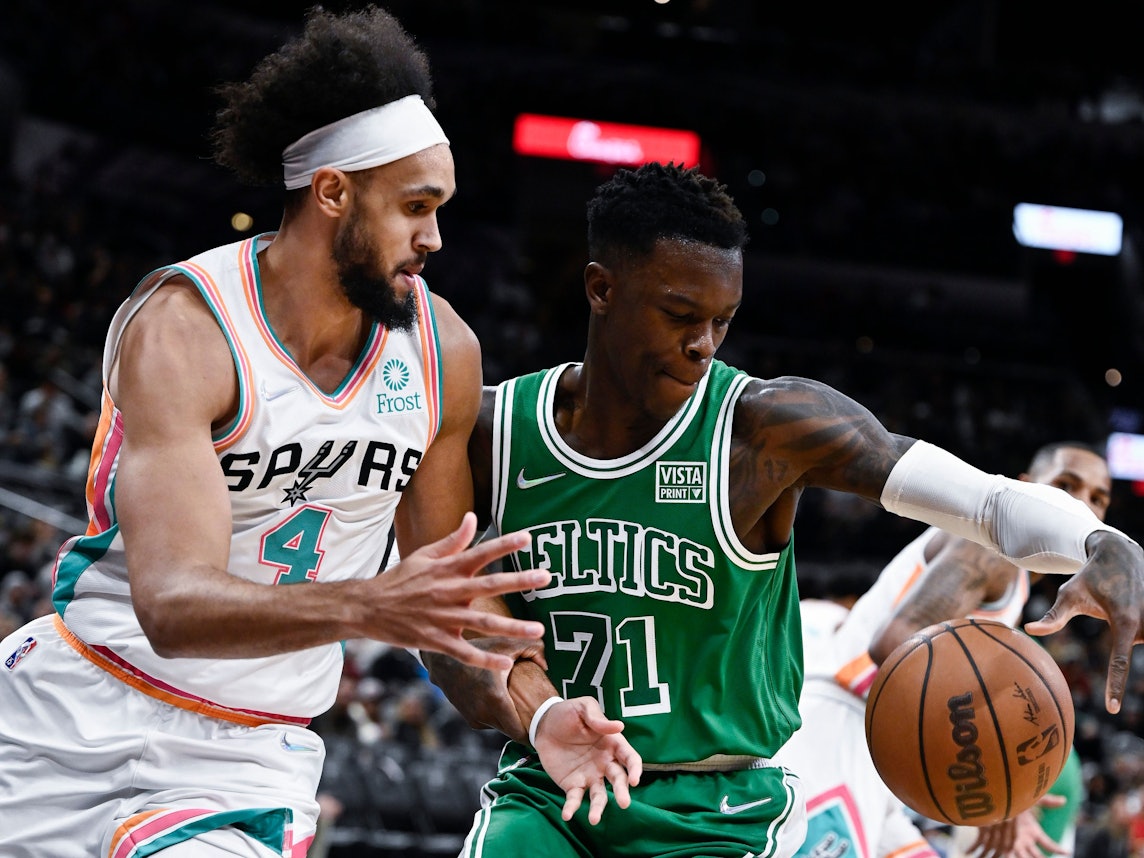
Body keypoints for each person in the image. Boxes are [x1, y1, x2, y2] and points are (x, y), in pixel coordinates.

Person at [422, 161, 1144, 858]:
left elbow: (983, 500)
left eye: (722, 321)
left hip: (718, 812)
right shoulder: (496, 430)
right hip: (556, 792)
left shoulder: (765, 426)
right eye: (679, 315)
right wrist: (540, 712)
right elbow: (441, 628)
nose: (702, 344)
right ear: (601, 288)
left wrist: (1097, 540)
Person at [0, 7, 552, 857]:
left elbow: (451, 607)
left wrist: (542, 716)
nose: (434, 237)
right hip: (74, 710)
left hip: (245, 758)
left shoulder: (444, 351)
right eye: (414, 206)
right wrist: (372, 606)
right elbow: (175, 606)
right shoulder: (189, 327)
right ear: (333, 193)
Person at [774, 441, 1113, 858]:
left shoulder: (1012, 568)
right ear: (1027, 488)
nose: (1082, 505)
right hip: (842, 728)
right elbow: (895, 644)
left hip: (881, 752)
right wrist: (995, 761)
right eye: (1066, 485)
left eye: (1098, 498)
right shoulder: (995, 551)